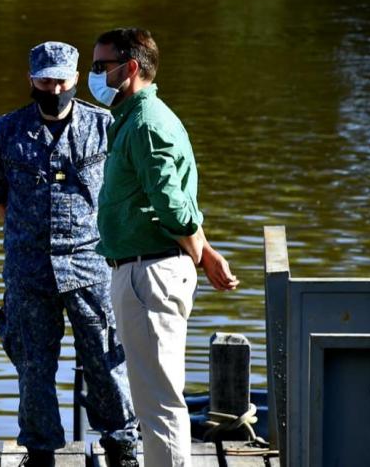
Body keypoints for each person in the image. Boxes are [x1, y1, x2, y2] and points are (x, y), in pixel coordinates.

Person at [0, 42, 139, 467]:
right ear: (31, 80)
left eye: (62, 80)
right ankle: (40, 450)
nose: (54, 88)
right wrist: (31, 233)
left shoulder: (105, 126)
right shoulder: (6, 131)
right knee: (33, 365)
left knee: (106, 358)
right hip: (28, 268)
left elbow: (122, 190)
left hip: (90, 264)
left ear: (75, 79)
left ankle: (121, 444)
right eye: (45, 80)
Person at [88, 28, 239, 466]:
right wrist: (205, 253)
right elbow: (171, 203)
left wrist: (199, 250)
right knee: (154, 397)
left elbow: (172, 208)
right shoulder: (136, 118)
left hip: (149, 274)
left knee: (159, 404)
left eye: (101, 66)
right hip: (144, 270)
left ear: (130, 68)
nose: (93, 76)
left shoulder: (146, 124)